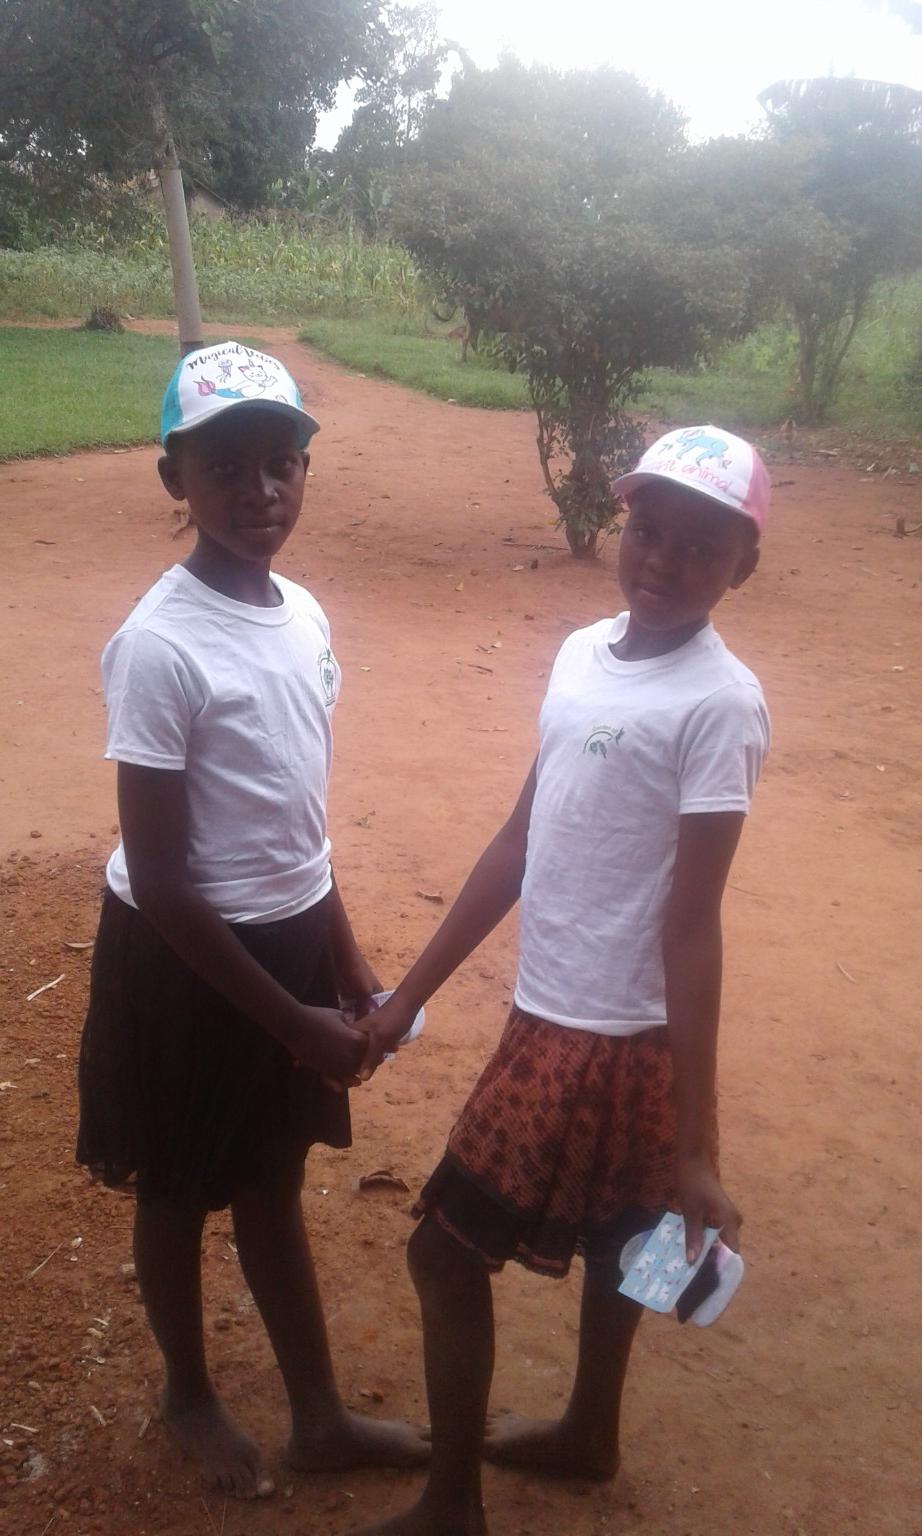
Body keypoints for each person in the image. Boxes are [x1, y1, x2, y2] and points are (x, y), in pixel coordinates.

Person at [352, 425, 773, 1536]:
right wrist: (406, 997)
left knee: (445, 1254)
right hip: (545, 1010)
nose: (663, 558)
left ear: (744, 565)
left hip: (618, 1037)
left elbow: (694, 926)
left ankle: (453, 1505)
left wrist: (698, 1146)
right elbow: (518, 839)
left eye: (701, 545)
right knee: (621, 1240)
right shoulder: (583, 653)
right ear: (620, 524)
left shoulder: (720, 704)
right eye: (649, 529)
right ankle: (589, 1435)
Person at [76, 341, 426, 1500]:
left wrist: (348, 968)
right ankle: (187, 1393)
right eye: (225, 467)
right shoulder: (159, 647)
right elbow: (165, 879)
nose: (259, 490)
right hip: (179, 962)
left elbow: (296, 823)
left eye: (281, 463)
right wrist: (293, 1021)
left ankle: (318, 1416)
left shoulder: (304, 616)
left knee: (271, 1181)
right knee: (176, 1188)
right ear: (174, 478)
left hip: (285, 942)